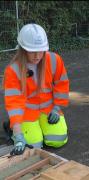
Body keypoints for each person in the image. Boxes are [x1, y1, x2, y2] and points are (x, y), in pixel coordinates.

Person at [3, 23, 69, 155]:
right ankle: (11, 126)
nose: (37, 56)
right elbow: (14, 102)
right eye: (32, 51)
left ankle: (39, 128)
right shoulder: (13, 70)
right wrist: (17, 132)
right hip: (26, 112)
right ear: (22, 49)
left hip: (49, 109)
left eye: (40, 50)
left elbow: (62, 86)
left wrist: (57, 109)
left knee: (58, 140)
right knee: (33, 146)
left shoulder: (54, 60)